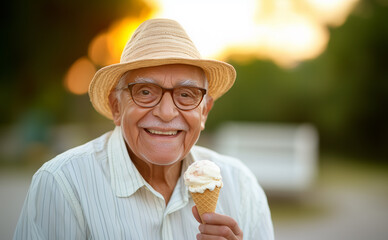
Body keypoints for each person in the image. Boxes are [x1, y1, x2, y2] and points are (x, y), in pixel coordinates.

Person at [14, 18, 274, 240]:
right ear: (116, 107)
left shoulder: (242, 188)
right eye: (145, 91)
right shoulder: (63, 185)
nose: (166, 112)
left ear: (204, 111)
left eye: (186, 94)